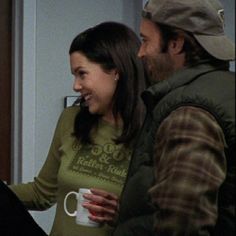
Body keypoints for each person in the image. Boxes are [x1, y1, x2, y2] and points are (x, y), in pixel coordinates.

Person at [9, 21, 147, 236]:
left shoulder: (152, 131)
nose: (75, 86)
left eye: (82, 74)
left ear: (115, 71)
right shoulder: (71, 120)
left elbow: (165, 219)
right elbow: (41, 194)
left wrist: (122, 214)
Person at [113, 0, 235, 235]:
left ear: (176, 43)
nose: (140, 52)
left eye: (146, 40)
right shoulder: (222, 92)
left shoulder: (190, 114)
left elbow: (183, 222)